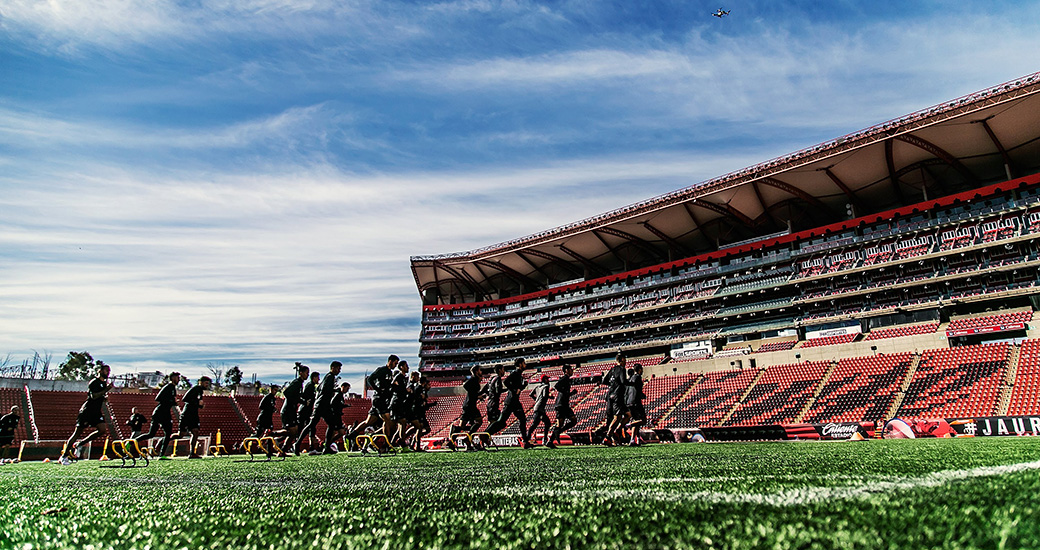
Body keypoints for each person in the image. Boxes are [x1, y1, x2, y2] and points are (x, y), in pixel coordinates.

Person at [62, 364, 113, 462]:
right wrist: (106, 390)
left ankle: (81, 443)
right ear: (100, 371)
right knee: (77, 433)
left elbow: (99, 397)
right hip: (87, 411)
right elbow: (93, 396)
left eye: (109, 370)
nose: (108, 372)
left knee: (102, 430)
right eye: (106, 370)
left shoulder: (104, 383)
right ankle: (64, 456)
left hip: (96, 411)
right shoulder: (94, 382)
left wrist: (104, 399)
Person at [347, 355, 398, 444]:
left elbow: (386, 386)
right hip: (379, 399)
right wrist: (377, 389)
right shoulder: (381, 370)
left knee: (369, 421)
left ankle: (352, 434)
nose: (395, 365)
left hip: (382, 399)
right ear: (390, 361)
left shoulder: (390, 373)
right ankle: (387, 444)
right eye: (395, 363)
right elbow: (370, 379)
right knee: (387, 419)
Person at [294, 361, 342, 455]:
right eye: (338, 368)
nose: (339, 371)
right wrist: (334, 390)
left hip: (323, 405)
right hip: (321, 405)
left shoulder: (328, 377)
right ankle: (298, 443)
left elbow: (320, 388)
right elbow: (325, 390)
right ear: (333, 368)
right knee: (312, 425)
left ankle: (327, 447)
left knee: (331, 424)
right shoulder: (330, 377)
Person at [486, 358, 531, 448]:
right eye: (523, 363)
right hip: (511, 401)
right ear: (520, 364)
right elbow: (506, 382)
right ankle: (485, 434)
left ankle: (525, 441)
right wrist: (515, 390)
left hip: (514, 401)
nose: (525, 365)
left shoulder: (519, 375)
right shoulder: (515, 373)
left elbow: (517, 388)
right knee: (501, 422)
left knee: (522, 419)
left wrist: (523, 386)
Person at [135, 371, 181, 458]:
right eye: (177, 378)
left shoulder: (173, 389)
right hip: (160, 412)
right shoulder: (168, 386)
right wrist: (172, 401)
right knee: (151, 434)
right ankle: (131, 442)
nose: (179, 379)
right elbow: (158, 398)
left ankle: (162, 454)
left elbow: (170, 401)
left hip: (166, 413)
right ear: (173, 378)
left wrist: (174, 403)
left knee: (167, 434)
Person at [273, 363, 309, 455]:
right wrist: (301, 401)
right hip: (288, 410)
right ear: (301, 373)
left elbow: (296, 396)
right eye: (306, 373)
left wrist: (302, 400)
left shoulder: (300, 384)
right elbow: (287, 393)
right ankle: (273, 435)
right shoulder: (296, 382)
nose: (307, 375)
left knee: (294, 432)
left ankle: (282, 451)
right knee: (292, 431)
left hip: (292, 410)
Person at [178, 376, 211, 458]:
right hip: (187, 414)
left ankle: (192, 453)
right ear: (201, 382)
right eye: (206, 383)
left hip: (193, 414)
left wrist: (200, 406)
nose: (207, 385)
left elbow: (195, 402)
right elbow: (185, 399)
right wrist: (197, 403)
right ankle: (163, 442)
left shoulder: (200, 392)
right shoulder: (196, 388)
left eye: (208, 383)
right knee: (181, 435)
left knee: (195, 432)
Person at [602, 352, 631, 446]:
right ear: (621, 360)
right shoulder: (622, 369)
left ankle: (615, 436)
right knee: (618, 417)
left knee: (626, 415)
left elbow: (604, 381)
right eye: (625, 360)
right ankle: (608, 436)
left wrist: (613, 384)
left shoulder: (612, 369)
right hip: (617, 396)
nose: (626, 362)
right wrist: (631, 383)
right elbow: (623, 381)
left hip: (610, 395)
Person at [547, 364, 578, 448]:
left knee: (573, 420)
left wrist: (571, 393)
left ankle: (557, 434)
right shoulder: (564, 378)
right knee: (560, 424)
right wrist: (567, 392)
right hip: (561, 405)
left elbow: (565, 393)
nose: (572, 371)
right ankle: (550, 441)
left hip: (564, 404)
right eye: (571, 369)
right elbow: (557, 386)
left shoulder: (567, 380)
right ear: (566, 370)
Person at [452, 365, 484, 436]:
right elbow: (465, 385)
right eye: (480, 370)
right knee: (479, 421)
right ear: (476, 372)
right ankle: (468, 437)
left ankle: (454, 435)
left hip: (469, 405)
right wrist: (476, 396)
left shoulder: (475, 381)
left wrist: (478, 396)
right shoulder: (473, 380)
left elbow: (474, 393)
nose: (481, 372)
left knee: (462, 426)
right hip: (470, 405)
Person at [296, 371, 322, 452]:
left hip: (308, 410)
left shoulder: (312, 386)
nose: (319, 379)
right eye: (318, 377)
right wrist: (306, 402)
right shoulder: (309, 386)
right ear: (314, 378)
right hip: (304, 410)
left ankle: (311, 447)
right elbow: (303, 396)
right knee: (301, 428)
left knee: (311, 428)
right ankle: (296, 444)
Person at [388, 361, 411, 447]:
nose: (408, 367)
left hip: (400, 403)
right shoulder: (399, 377)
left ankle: (394, 444)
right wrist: (406, 390)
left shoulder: (404, 378)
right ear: (401, 367)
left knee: (402, 423)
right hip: (396, 403)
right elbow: (393, 387)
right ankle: (398, 443)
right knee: (395, 425)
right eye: (406, 366)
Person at [527, 374, 552, 445]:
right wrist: (550, 397)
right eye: (547, 379)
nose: (548, 380)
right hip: (540, 408)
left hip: (537, 407)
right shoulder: (546, 386)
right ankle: (527, 439)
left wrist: (536, 400)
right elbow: (545, 395)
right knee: (535, 424)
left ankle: (543, 439)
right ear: (544, 380)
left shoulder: (538, 386)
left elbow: (531, 394)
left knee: (546, 423)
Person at [625, 364, 646, 446]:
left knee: (636, 421)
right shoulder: (637, 377)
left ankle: (633, 440)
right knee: (643, 420)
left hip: (629, 402)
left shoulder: (631, 378)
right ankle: (629, 425)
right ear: (640, 369)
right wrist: (641, 395)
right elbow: (637, 389)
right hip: (636, 402)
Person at [483, 364, 506, 431]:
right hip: (494, 403)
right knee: (501, 423)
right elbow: (498, 390)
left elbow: (484, 389)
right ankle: (484, 435)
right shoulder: (498, 379)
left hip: (489, 403)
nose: (504, 371)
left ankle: (486, 437)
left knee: (492, 422)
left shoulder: (491, 379)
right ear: (499, 370)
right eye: (503, 369)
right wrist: (508, 389)